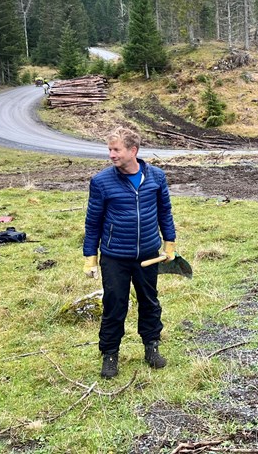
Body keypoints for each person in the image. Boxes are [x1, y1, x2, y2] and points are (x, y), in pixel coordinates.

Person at [83, 127, 177, 378]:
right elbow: (93, 223)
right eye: (110, 150)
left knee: (149, 302)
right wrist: (90, 257)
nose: (111, 155)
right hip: (115, 256)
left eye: (117, 150)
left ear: (133, 151)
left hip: (148, 253)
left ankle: (151, 346)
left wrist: (169, 244)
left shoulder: (156, 177)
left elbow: (165, 212)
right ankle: (110, 355)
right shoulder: (101, 182)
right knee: (114, 305)